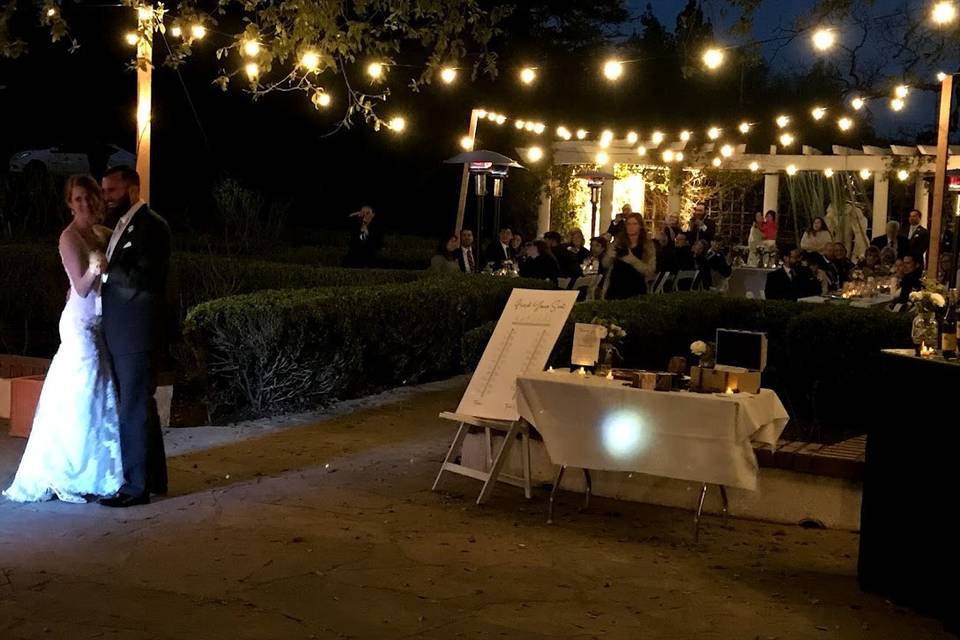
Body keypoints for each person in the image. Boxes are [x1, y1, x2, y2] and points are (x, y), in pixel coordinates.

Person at [3, 176, 124, 504]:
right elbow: (82, 287)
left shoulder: (100, 233)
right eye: (78, 199)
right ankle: (67, 472)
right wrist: (96, 268)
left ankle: (95, 469)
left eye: (89, 198)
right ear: (70, 203)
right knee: (80, 395)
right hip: (79, 325)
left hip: (98, 323)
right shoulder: (69, 238)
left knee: (97, 393)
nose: (85, 204)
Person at [98, 166, 172, 507]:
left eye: (112, 191)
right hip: (122, 329)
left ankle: (134, 487)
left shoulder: (152, 226)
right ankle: (154, 478)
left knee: (134, 406)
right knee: (141, 404)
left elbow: (148, 277)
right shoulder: (122, 224)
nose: (106, 197)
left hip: (136, 329)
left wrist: (110, 269)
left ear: (131, 190)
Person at [602, 212, 656, 299]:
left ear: (640, 226)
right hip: (615, 288)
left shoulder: (647, 245)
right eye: (628, 224)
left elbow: (650, 271)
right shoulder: (618, 242)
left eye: (634, 224)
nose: (631, 227)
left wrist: (632, 260)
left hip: (636, 289)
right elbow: (605, 264)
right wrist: (609, 255)